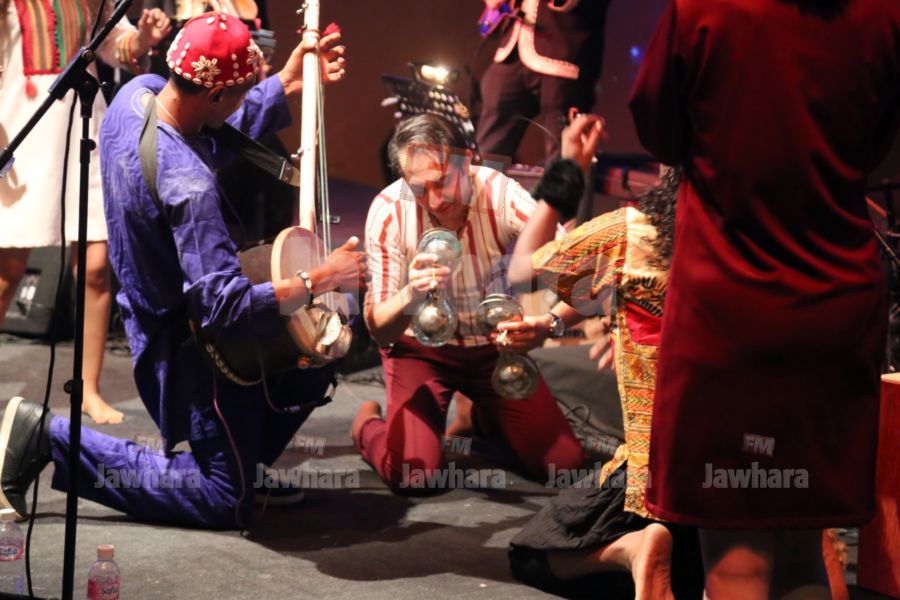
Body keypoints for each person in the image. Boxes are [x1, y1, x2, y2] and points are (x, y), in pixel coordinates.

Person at [0, 12, 363, 529]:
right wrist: (319, 279)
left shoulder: (137, 97)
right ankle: (48, 437)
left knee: (316, 356)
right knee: (223, 499)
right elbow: (225, 307)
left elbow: (208, 130)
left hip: (155, 315)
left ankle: (244, 464)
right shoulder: (190, 189)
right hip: (190, 351)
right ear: (214, 95)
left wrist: (285, 82)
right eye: (240, 92)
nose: (241, 100)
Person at [629, 0, 900, 597]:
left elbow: (657, 127)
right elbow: (876, 142)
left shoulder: (703, 7)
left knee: (738, 559)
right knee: (805, 547)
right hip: (834, 308)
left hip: (728, 308)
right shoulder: (885, 14)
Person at [503, 168, 850, 599]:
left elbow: (524, 269)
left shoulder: (633, 232)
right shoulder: (776, 235)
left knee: (531, 554)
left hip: (667, 480)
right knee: (782, 554)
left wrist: (566, 173)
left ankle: (631, 550)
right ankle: (816, 542)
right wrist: (558, 321)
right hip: (775, 460)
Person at [351, 113, 605, 492]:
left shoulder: (501, 195)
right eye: (419, 188)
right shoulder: (389, 211)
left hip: (492, 349)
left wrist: (549, 324)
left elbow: (587, 281)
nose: (435, 200)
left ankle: (483, 418)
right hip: (419, 352)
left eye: (442, 181)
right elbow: (380, 330)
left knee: (562, 466)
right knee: (414, 475)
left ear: (467, 160)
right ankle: (367, 424)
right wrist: (410, 295)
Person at [0, 1, 171, 424]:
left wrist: (144, 37)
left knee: (96, 268)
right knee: (7, 271)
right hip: (22, 129)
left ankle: (88, 390)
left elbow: (115, 44)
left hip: (85, 127)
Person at [476, 0, 611, 161]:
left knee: (564, 152)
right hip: (512, 49)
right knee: (488, 151)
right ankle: (480, 177)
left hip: (564, 52)